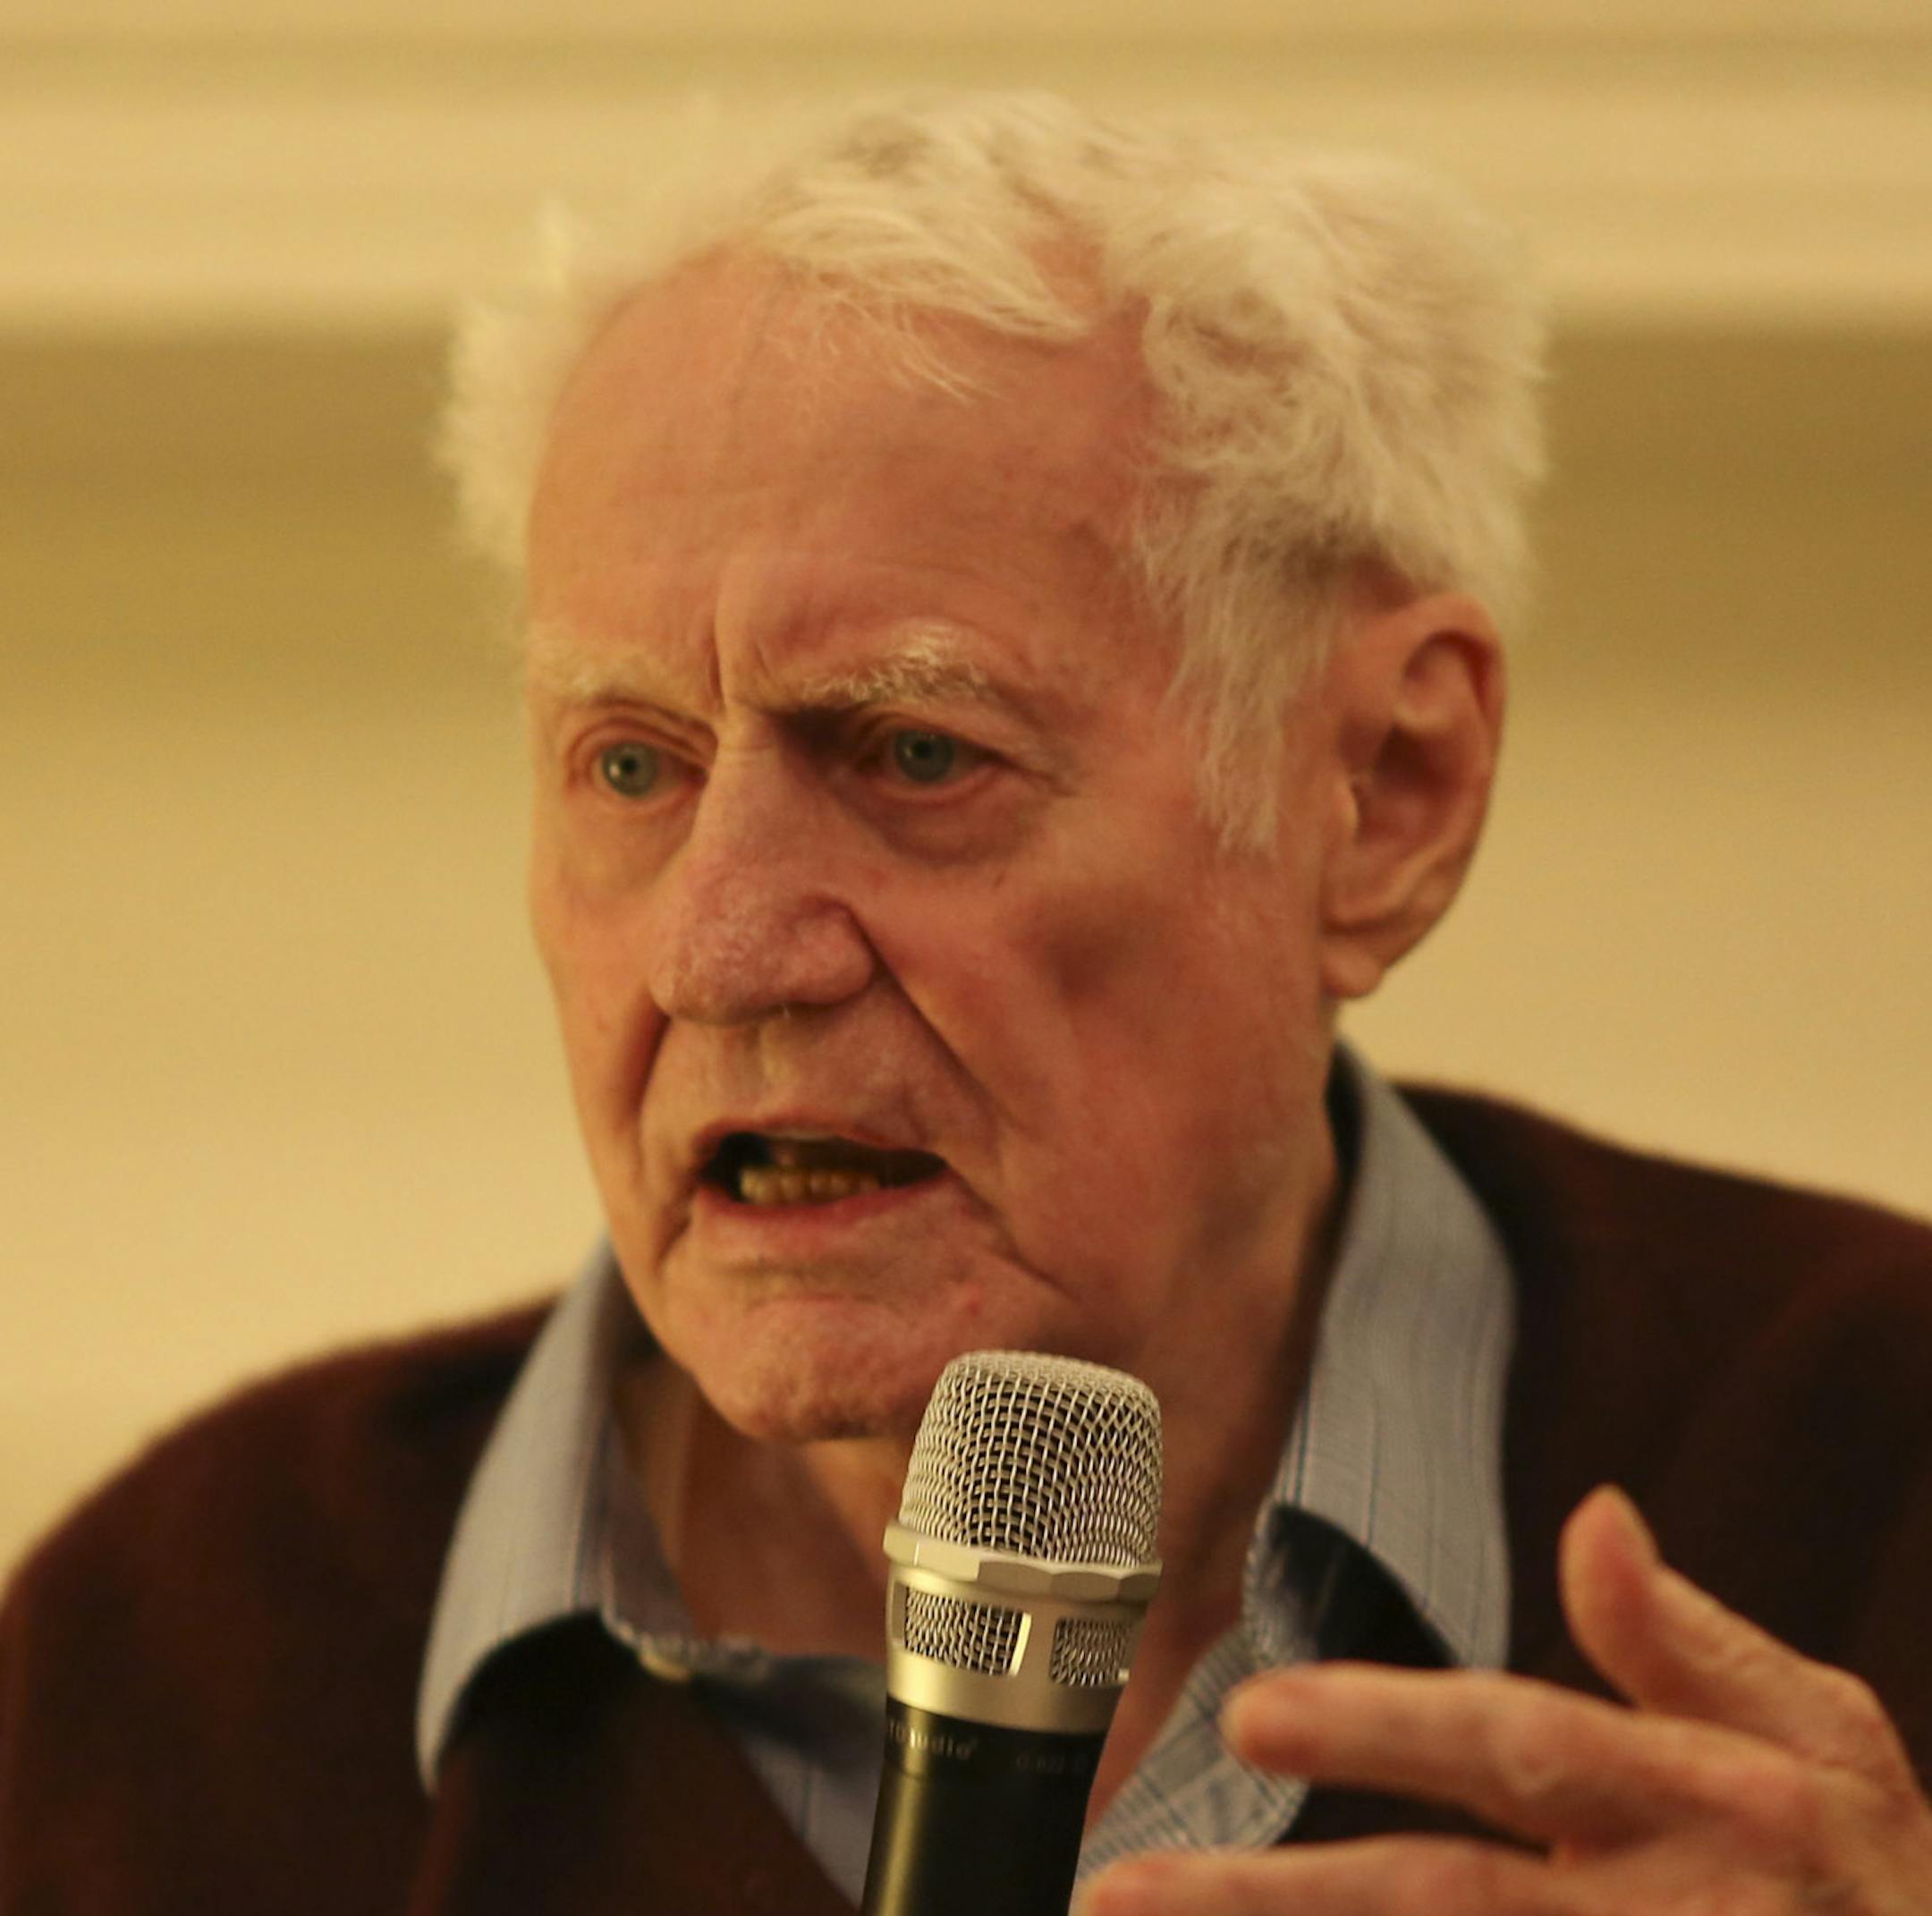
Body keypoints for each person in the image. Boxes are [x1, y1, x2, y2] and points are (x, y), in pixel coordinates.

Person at [4, 90, 1931, 1915]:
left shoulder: (1875, 1482)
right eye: (632, 765)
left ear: (1385, 794)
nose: (719, 952)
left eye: (918, 753)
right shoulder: (174, 1664)